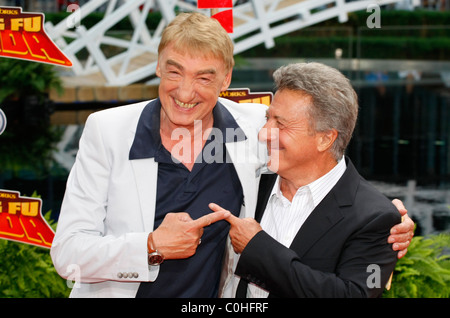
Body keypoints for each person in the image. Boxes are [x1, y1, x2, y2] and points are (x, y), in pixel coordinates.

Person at [51, 13, 413, 298]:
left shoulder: (256, 127)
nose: (185, 91)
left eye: (204, 78)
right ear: (158, 67)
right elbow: (67, 254)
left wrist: (387, 216)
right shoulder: (108, 131)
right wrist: (151, 246)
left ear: (226, 79)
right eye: (174, 71)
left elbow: (320, 156)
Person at [211, 62, 414, 298]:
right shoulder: (251, 182)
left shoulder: (376, 218)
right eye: (268, 118)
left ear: (325, 139)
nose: (264, 133)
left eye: (281, 124)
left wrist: (258, 248)